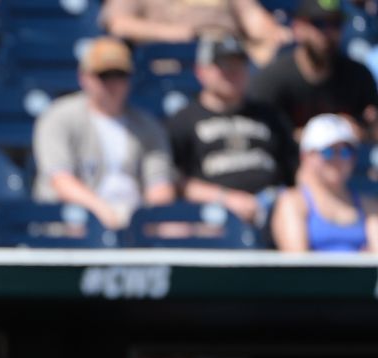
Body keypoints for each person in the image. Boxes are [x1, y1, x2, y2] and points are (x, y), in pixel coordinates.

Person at [32, 36, 176, 231]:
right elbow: (60, 181)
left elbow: (160, 186)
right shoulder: (58, 116)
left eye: (119, 75)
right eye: (104, 75)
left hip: (134, 218)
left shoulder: (148, 125)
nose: (112, 83)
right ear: (84, 77)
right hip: (74, 219)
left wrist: (142, 221)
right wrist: (102, 211)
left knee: (177, 228)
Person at [167, 33, 296, 226]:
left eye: (238, 65)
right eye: (223, 66)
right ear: (201, 71)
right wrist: (224, 198)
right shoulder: (183, 121)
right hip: (213, 217)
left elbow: (295, 170)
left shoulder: (270, 116)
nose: (232, 73)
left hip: (276, 213)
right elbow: (174, 182)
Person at [247, 0, 378, 138]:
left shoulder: (358, 75)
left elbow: (373, 127)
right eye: (319, 23)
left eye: (335, 24)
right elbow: (260, 136)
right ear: (297, 28)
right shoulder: (271, 80)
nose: (327, 32)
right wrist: (316, 135)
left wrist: (362, 131)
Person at [271, 113, 378, 252]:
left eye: (345, 151)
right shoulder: (292, 203)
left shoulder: (368, 205)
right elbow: (297, 261)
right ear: (307, 156)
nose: (338, 159)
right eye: (328, 151)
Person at [100, 0, 289, 66]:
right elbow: (118, 23)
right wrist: (174, 33)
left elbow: (251, 15)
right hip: (175, 64)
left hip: (227, 57)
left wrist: (272, 33)